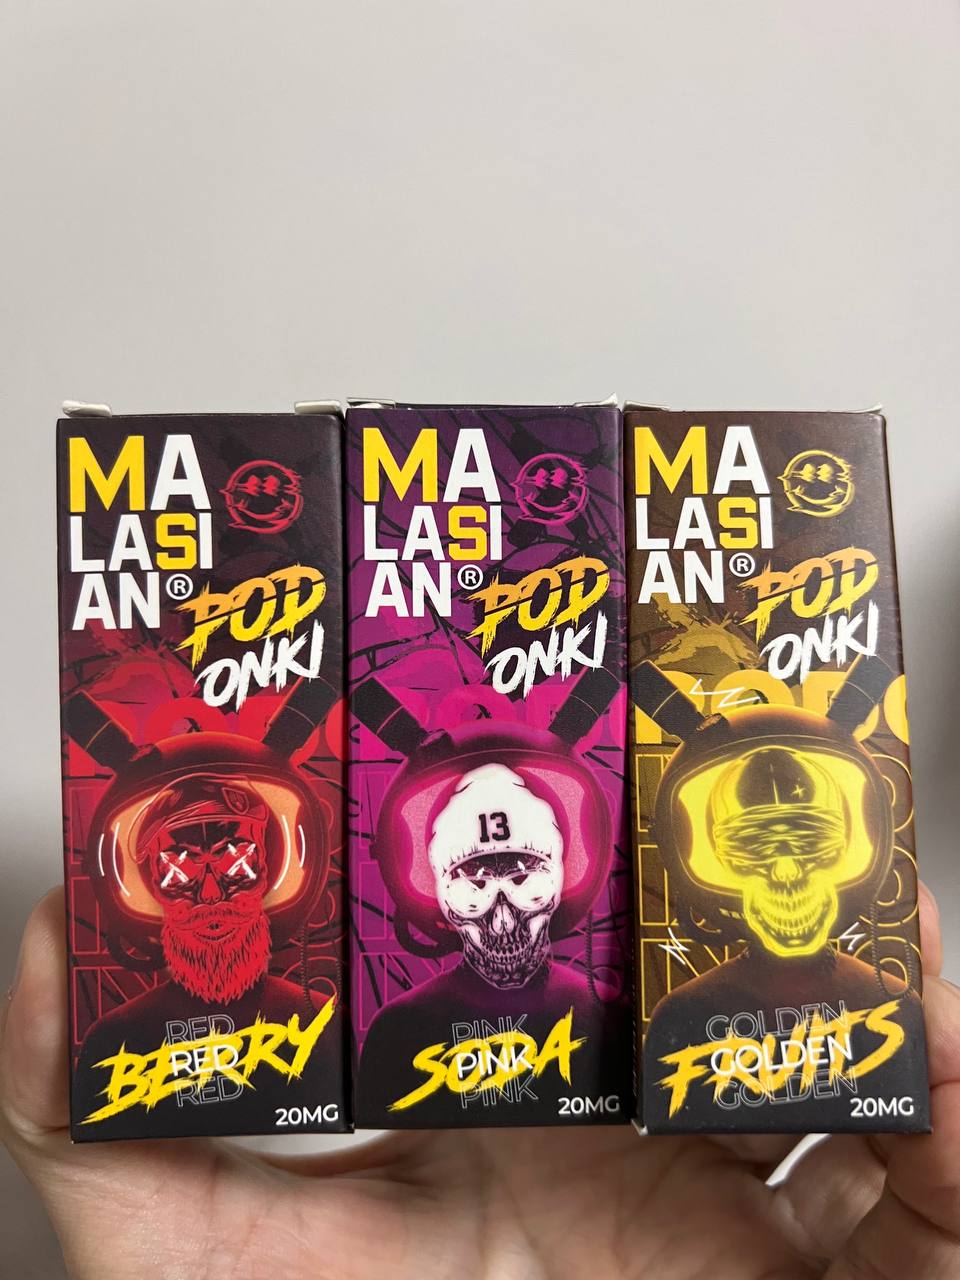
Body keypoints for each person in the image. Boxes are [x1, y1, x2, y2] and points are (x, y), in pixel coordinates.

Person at [2, 881, 959, 1279]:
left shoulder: (630, 1013)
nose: (501, 913)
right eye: (474, 879)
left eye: (523, 875)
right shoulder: (387, 1032)